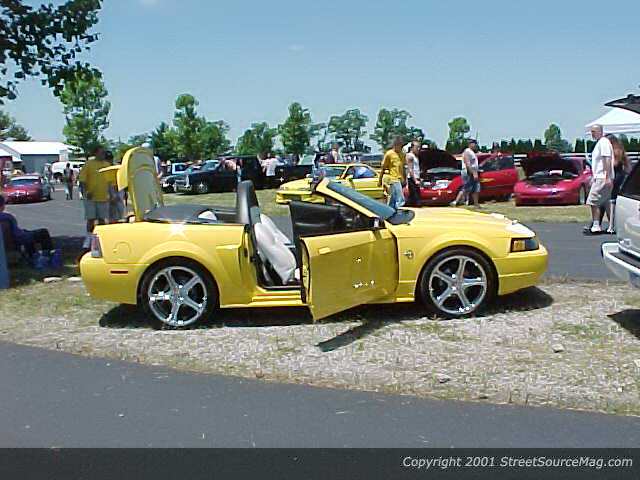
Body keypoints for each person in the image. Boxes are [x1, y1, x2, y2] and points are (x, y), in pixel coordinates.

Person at [584, 125, 614, 235]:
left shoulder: (603, 142)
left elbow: (607, 159)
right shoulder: (600, 143)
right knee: (606, 202)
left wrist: (607, 177)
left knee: (593, 201)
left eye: (594, 131)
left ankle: (596, 225)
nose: (592, 134)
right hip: (600, 177)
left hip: (602, 177)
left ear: (600, 131)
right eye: (591, 132)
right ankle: (612, 226)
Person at [78, 146, 111, 240]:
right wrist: (85, 192)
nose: (103, 154)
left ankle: (102, 238)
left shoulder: (107, 165)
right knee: (91, 219)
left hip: (103, 197)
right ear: (96, 153)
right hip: (91, 197)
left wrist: (112, 194)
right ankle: (89, 238)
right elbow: (82, 180)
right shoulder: (89, 164)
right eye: (101, 153)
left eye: (104, 153)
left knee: (102, 219)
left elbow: (111, 181)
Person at [606, 134, 631, 234]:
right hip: (616, 174)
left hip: (616, 175)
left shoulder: (616, 150)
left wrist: (605, 163)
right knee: (609, 200)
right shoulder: (617, 149)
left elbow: (615, 163)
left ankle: (611, 225)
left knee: (612, 200)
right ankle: (609, 224)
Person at [378, 136, 406, 210]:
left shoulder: (402, 154)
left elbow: (403, 167)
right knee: (400, 199)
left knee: (393, 199)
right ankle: (399, 210)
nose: (400, 148)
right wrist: (380, 180)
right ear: (395, 145)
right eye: (399, 145)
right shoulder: (389, 154)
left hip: (400, 179)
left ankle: (389, 211)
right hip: (393, 179)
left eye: (401, 146)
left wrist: (404, 179)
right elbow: (383, 168)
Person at [451, 138, 480, 207]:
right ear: (470, 144)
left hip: (472, 171)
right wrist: (473, 173)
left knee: (475, 187)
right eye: (474, 143)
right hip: (468, 172)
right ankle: (456, 201)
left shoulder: (472, 152)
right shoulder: (467, 152)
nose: (475, 145)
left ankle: (476, 204)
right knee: (467, 187)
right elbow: (467, 163)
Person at [106, 151, 125, 223]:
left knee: (119, 210)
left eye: (110, 158)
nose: (109, 160)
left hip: (118, 190)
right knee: (109, 213)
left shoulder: (117, 167)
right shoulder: (103, 168)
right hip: (108, 190)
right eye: (107, 159)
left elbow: (122, 180)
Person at [405, 140, 422, 207]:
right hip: (412, 179)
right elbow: (410, 169)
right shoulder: (410, 156)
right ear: (412, 147)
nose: (418, 149)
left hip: (416, 178)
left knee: (414, 198)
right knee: (416, 198)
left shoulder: (416, 156)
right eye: (417, 147)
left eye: (419, 147)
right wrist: (415, 180)